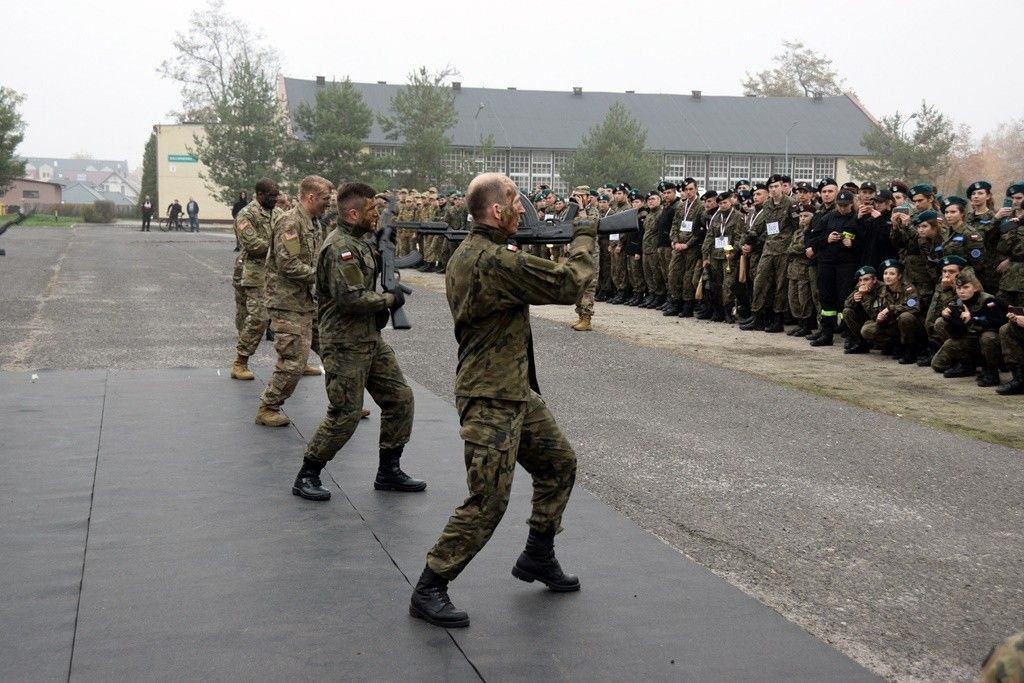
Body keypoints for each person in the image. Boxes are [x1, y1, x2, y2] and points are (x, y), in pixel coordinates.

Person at [410, 172, 595, 629]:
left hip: (513, 391)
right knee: (488, 500)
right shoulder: (492, 261)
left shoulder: (476, 253)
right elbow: (570, 283)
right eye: (515, 200)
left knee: (559, 465)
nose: (523, 208)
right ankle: (430, 585)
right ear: (497, 210)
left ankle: (537, 554)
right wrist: (586, 237)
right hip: (490, 396)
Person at [292, 182, 424, 502]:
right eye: (371, 210)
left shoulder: (359, 242)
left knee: (400, 398)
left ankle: (388, 471)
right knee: (346, 413)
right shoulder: (341, 248)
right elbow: (351, 298)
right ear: (353, 213)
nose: (376, 214)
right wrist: (388, 300)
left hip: (369, 339)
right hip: (344, 343)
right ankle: (307, 474)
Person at [255, 176, 333, 427]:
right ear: (310, 197)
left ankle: (343, 403)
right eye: (324, 200)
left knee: (334, 349)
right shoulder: (290, 222)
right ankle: (268, 407)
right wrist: (322, 277)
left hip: (308, 300)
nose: (327, 205)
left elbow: (316, 259)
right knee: (294, 360)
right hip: (287, 302)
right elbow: (288, 264)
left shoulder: (314, 222)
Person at [230, 179, 279, 381]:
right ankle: (240, 362)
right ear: (259, 194)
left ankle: (295, 362)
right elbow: (254, 245)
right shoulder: (246, 215)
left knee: (293, 317)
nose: (275, 199)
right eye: (271, 196)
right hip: (253, 273)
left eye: (277, 195)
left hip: (275, 273)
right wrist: (281, 247)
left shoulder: (276, 213)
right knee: (257, 318)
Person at [931, 267, 1006, 385]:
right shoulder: (959, 302)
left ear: (975, 288)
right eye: (958, 288)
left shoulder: (988, 301)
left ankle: (992, 372)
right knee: (937, 364)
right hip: (972, 340)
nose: (961, 291)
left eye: (966, 287)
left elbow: (996, 322)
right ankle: (965, 364)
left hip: (993, 344)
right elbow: (957, 334)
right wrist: (949, 318)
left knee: (988, 337)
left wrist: (973, 319)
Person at [806, 189, 860, 346]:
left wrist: (853, 244)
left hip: (847, 265)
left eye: (846, 205)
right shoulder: (827, 218)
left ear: (852, 204)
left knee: (845, 300)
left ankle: (849, 334)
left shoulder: (857, 219)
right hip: (827, 264)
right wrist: (827, 239)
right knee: (826, 299)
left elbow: (866, 243)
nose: (843, 208)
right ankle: (826, 333)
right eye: (840, 205)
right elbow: (813, 241)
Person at [860, 259, 925, 363]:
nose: (887, 276)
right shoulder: (883, 291)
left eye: (892, 273)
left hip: (913, 326)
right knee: (867, 329)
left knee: (905, 317)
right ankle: (895, 344)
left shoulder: (909, 288)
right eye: (885, 273)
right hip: (894, 324)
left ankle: (910, 350)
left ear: (899, 276)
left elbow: (913, 307)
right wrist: (879, 317)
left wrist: (890, 309)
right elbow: (875, 312)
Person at [570, 187, 601, 331]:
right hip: (577, 250)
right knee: (578, 282)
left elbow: (589, 225)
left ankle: (587, 318)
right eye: (575, 196)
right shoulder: (573, 210)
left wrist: (582, 208)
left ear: (588, 197)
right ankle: (580, 315)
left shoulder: (593, 211)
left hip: (590, 251)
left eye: (580, 196)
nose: (577, 199)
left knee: (589, 284)